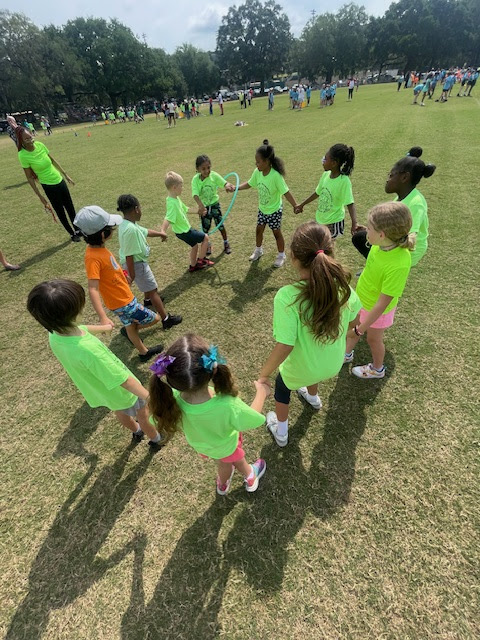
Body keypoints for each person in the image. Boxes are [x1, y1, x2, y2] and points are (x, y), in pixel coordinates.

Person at [26, 279, 163, 450]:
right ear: (72, 315)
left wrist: (103, 328)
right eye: (79, 307)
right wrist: (150, 397)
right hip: (123, 390)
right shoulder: (88, 350)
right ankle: (156, 439)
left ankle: (136, 431)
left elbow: (81, 328)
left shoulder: (55, 334)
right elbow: (125, 381)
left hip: (104, 390)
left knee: (119, 410)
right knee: (143, 413)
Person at [258, 222, 361, 447]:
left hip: (304, 369)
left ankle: (281, 432)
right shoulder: (344, 288)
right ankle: (313, 397)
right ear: (330, 251)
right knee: (312, 369)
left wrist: (263, 375)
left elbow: (285, 345)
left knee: (282, 385)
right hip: (332, 364)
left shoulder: (287, 297)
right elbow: (355, 324)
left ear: (293, 256)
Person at [148, 334, 270, 494]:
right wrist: (261, 392)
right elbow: (252, 418)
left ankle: (229, 481)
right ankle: (243, 477)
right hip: (225, 445)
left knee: (226, 460)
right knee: (228, 462)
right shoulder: (227, 404)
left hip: (203, 445)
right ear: (213, 370)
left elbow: (154, 418)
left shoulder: (171, 402)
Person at [74, 205, 164, 362]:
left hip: (121, 300)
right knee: (155, 318)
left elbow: (110, 269)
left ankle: (143, 352)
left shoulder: (98, 249)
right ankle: (133, 332)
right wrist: (102, 317)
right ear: (103, 234)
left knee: (129, 324)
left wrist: (123, 276)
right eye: (110, 228)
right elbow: (93, 288)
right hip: (123, 303)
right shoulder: (92, 257)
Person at [344, 202, 414, 379]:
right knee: (353, 326)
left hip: (378, 311)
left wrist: (361, 329)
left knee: (373, 339)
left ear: (382, 235)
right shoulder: (380, 244)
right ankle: (346, 354)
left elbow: (383, 304)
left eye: (369, 228)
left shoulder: (399, 264)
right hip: (362, 300)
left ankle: (377, 369)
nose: (366, 231)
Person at [352, 147, 436, 267]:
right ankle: (376, 266)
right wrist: (372, 230)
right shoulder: (401, 198)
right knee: (360, 237)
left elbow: (411, 237)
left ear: (404, 178)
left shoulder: (415, 204)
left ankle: (381, 267)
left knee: (368, 242)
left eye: (391, 175)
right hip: (396, 241)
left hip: (409, 250)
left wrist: (385, 244)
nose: (387, 180)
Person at [116, 194, 182, 329]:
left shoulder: (128, 224)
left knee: (148, 287)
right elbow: (129, 255)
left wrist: (160, 233)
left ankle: (147, 301)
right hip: (136, 264)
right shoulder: (130, 230)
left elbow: (145, 231)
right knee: (153, 290)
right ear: (136, 209)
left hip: (137, 263)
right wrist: (132, 275)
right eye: (140, 207)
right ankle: (166, 319)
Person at [237, 139, 298, 268]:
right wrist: (236, 188)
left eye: (258, 162)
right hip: (262, 209)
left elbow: (286, 192)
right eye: (256, 162)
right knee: (259, 230)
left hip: (274, 210)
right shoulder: (257, 172)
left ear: (267, 161)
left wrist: (295, 205)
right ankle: (258, 250)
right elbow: (249, 183)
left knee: (276, 233)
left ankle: (281, 255)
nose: (256, 164)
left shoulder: (275, 176)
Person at [16, 127, 81, 242]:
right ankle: (72, 233)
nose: (31, 140)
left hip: (59, 180)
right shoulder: (22, 155)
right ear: (21, 141)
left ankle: (78, 229)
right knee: (60, 210)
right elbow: (29, 177)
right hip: (48, 185)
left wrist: (66, 175)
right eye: (27, 139)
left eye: (30, 137)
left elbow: (53, 161)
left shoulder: (40, 145)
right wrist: (40, 196)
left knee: (70, 207)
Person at [295, 143, 359, 240]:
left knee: (327, 246)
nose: (322, 161)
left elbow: (350, 203)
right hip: (321, 219)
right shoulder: (325, 175)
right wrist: (302, 204)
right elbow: (317, 192)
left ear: (334, 163)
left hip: (334, 222)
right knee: (321, 246)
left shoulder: (344, 181)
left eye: (325, 159)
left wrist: (354, 223)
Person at [160, 171, 213, 272]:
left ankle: (193, 265)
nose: (182, 188)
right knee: (205, 238)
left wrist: (198, 211)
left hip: (181, 231)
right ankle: (201, 261)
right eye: (181, 186)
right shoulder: (172, 203)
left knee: (194, 246)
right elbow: (168, 218)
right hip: (184, 231)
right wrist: (163, 230)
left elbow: (186, 209)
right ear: (174, 187)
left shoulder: (175, 199)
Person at [191, 155, 235, 256]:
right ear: (197, 169)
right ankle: (208, 245)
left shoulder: (213, 175)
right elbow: (195, 194)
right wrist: (201, 206)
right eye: (203, 169)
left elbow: (224, 183)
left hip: (215, 205)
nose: (207, 171)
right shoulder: (195, 180)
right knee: (205, 229)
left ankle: (226, 242)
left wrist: (228, 186)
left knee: (220, 225)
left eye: (208, 167)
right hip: (204, 208)